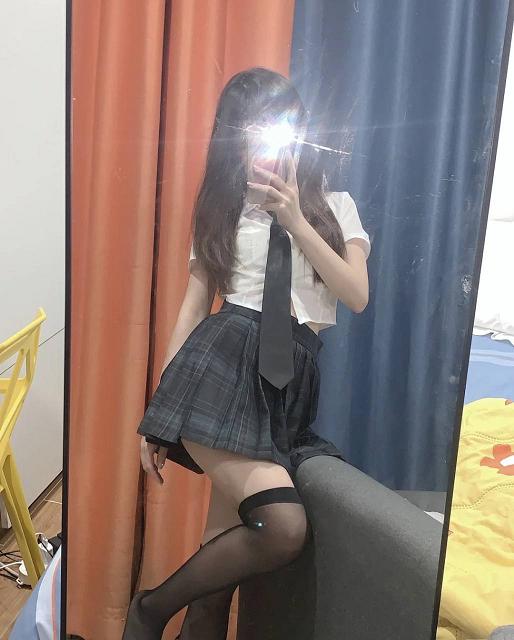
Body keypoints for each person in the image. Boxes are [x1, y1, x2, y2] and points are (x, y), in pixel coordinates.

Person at [122, 66, 370, 640]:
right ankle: (149, 610)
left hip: (287, 384)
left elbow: (356, 295)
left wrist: (294, 220)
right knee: (282, 525)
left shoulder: (337, 206)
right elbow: (192, 308)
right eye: (250, 130)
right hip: (222, 365)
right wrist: (159, 412)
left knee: (217, 586)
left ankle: (173, 619)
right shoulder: (224, 208)